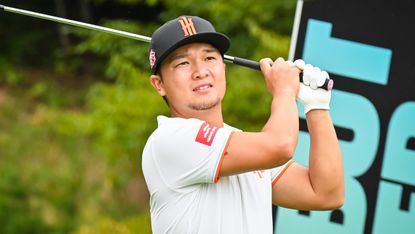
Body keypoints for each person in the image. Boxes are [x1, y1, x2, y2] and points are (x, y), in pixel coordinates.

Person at [142, 15, 343, 234]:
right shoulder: (169, 139)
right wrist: (285, 90)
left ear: (223, 67)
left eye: (210, 58)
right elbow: (280, 145)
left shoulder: (240, 144)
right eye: (183, 63)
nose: (200, 71)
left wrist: (318, 106)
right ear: (159, 84)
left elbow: (326, 193)